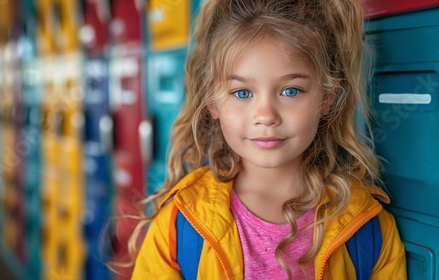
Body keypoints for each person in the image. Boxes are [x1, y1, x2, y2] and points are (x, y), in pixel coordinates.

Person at [127, 0, 407, 279]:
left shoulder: (369, 227)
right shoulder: (179, 225)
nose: (265, 115)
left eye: (290, 91)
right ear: (212, 102)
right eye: (242, 93)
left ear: (327, 98)